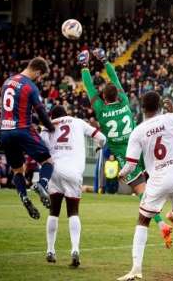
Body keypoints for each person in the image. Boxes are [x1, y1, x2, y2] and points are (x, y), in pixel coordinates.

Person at [79, 48, 172, 247]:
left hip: (124, 154)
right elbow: (114, 77)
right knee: (164, 174)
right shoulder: (125, 101)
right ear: (117, 95)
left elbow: (89, 88)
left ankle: (161, 223)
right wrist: (103, 60)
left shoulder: (100, 109)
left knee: (142, 192)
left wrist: (84, 66)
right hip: (141, 145)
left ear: (104, 98)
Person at [116, 91, 173, 281]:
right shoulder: (172, 118)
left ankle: (136, 269)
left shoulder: (137, 131)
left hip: (158, 181)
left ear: (142, 107)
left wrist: (121, 174)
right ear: (160, 106)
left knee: (143, 220)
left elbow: (130, 164)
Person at [40, 105, 106, 268]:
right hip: (73, 172)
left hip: (54, 170)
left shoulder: (47, 127)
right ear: (66, 114)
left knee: (54, 211)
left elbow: (41, 148)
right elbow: (102, 138)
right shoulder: (78, 122)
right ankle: (75, 250)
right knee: (73, 211)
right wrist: (99, 147)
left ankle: (50, 250)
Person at [0, 57, 55, 219]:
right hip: (22, 129)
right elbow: (41, 113)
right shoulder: (30, 87)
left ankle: (24, 196)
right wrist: (51, 128)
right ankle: (41, 185)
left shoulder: (7, 81)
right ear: (37, 71)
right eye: (41, 76)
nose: (39, 79)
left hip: (4, 131)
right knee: (48, 162)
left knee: (18, 170)